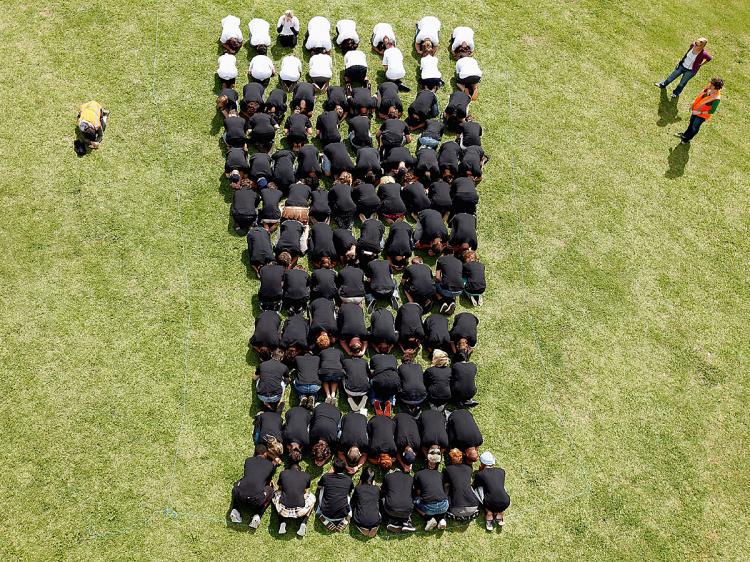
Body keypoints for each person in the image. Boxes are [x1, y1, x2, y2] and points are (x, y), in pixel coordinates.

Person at [229, 444, 281, 526]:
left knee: (238, 484)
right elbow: (267, 480)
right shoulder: (270, 465)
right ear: (265, 453)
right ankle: (257, 515)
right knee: (270, 490)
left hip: (240, 497)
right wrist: (274, 464)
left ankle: (235, 510)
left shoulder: (248, 460)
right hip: (256, 501)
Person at [675, 77, 723, 144]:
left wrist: (699, 112)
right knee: (691, 124)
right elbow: (700, 96)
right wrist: (693, 105)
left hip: (702, 115)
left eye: (712, 84)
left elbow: (712, 111)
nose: (710, 84)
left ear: (716, 87)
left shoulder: (716, 99)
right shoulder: (709, 88)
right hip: (696, 110)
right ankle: (685, 135)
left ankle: (687, 139)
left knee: (694, 127)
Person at [273, 462, 315, 536]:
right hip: (300, 511)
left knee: (276, 494)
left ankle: (282, 523)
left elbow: (280, 488)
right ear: (300, 470)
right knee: (313, 498)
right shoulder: (306, 475)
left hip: (284, 510)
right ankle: (303, 523)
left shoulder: (283, 473)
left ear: (289, 470)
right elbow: (306, 490)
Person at [414, 448, 449, 531]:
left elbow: (418, 493)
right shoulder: (441, 475)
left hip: (429, 508)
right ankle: (442, 519)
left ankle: (428, 519)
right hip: (444, 505)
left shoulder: (418, 474)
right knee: (439, 506)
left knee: (415, 501)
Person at [474, 451, 511, 531]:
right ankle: (500, 512)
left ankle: (489, 512)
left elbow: (476, 486)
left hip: (490, 503)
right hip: (506, 501)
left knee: (478, 489)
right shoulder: (501, 471)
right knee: (500, 486)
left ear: (482, 464)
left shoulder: (480, 474)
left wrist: (480, 471)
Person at [443, 448, 480, 522]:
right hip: (474, 506)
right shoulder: (469, 468)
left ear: (450, 459)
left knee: (447, 488)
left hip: (455, 509)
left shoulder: (447, 469)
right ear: (461, 458)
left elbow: (446, 485)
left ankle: (453, 515)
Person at [317, 458, 353, 531]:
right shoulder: (348, 479)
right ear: (344, 469)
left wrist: (328, 473)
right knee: (348, 496)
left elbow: (319, 486)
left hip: (325, 512)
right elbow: (350, 491)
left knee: (322, 488)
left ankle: (319, 513)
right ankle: (348, 516)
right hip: (344, 513)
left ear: (333, 468)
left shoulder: (326, 477)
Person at [381, 466, 417, 533]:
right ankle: (405, 522)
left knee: (384, 498)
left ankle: (392, 521)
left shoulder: (388, 476)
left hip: (391, 509)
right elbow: (413, 493)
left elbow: (383, 491)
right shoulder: (410, 478)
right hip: (408, 509)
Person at [351, 467, 382, 537]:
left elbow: (353, 502)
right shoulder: (377, 489)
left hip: (359, 520)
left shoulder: (358, 488)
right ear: (373, 479)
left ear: (362, 477)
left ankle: (362, 527)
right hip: (376, 520)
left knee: (357, 506)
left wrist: (359, 484)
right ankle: (375, 526)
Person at [310, 402, 341, 466]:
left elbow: (332, 452)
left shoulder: (334, 440)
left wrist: (324, 459)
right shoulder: (312, 435)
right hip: (322, 408)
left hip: (335, 411)